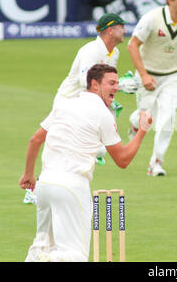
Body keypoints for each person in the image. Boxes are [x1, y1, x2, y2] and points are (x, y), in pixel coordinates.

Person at [19, 64, 152, 262]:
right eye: (111, 83)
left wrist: (28, 174)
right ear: (95, 84)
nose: (116, 88)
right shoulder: (102, 114)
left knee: (41, 247)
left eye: (117, 83)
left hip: (45, 184)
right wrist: (142, 131)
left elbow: (35, 140)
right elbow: (122, 160)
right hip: (72, 187)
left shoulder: (65, 104)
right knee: (74, 255)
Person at [22, 12, 137, 204]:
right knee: (48, 138)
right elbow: (87, 80)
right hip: (68, 99)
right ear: (110, 30)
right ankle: (35, 189)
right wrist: (121, 86)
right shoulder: (91, 50)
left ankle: (47, 186)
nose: (124, 31)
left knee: (89, 146)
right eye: (121, 27)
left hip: (89, 101)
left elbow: (103, 81)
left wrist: (112, 94)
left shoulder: (113, 53)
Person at [127, 0, 177, 176]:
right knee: (147, 119)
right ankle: (135, 122)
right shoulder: (151, 18)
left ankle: (156, 162)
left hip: (174, 76)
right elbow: (132, 45)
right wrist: (143, 75)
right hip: (148, 74)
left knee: (167, 117)